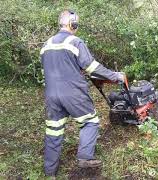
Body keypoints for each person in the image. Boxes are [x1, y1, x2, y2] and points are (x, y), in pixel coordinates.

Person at [40, 10, 124, 177]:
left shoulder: (46, 45)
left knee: (53, 130)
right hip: (73, 93)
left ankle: (50, 172)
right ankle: (85, 157)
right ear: (73, 24)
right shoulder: (75, 41)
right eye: (76, 25)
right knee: (90, 122)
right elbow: (93, 67)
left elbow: (50, 69)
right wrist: (116, 76)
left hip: (51, 95)